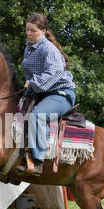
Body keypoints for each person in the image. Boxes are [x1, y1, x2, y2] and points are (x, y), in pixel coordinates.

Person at [16, 13, 76, 176]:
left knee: (37, 116)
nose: (29, 34)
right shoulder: (29, 48)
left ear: (43, 31)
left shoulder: (48, 49)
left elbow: (54, 72)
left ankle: (38, 162)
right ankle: (17, 162)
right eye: (27, 30)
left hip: (61, 94)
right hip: (42, 93)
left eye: (33, 31)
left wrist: (33, 83)